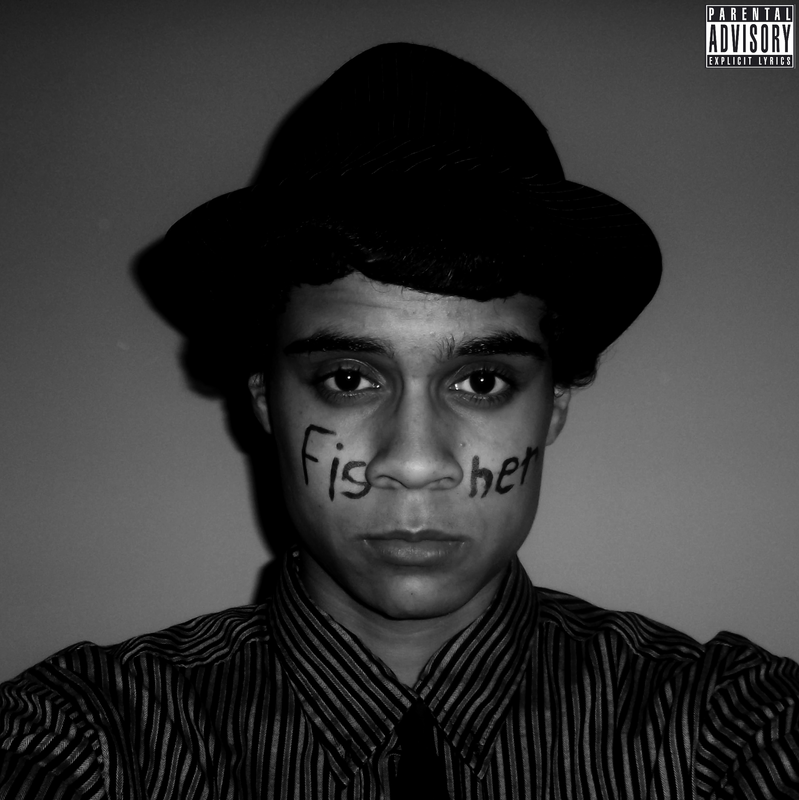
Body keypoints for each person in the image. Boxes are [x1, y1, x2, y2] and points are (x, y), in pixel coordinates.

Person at [1, 42, 797, 800]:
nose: (414, 463)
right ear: (263, 398)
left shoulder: (716, 727)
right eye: (348, 379)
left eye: (480, 381)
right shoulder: (96, 736)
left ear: (553, 402)